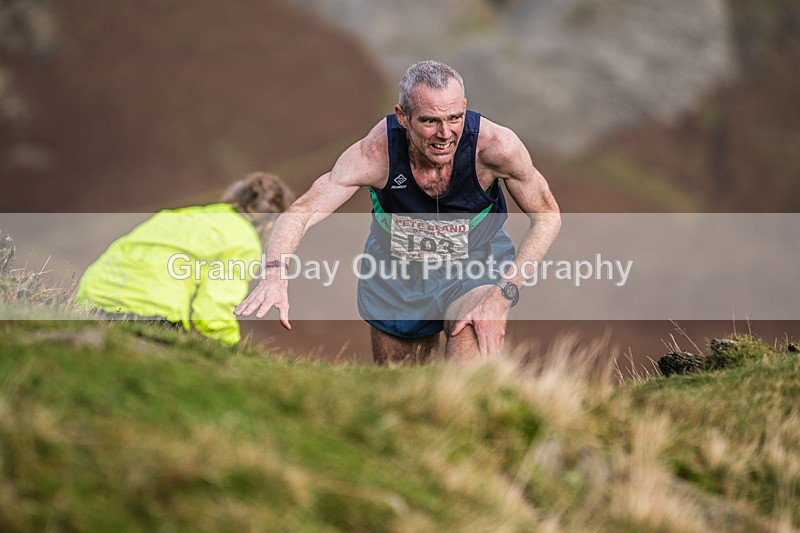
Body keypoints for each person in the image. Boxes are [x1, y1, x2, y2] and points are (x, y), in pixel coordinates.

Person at [235, 60, 560, 363]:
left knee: (471, 341)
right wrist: (274, 275)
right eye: (430, 121)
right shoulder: (375, 154)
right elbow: (303, 210)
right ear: (403, 116)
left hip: (475, 266)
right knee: (400, 382)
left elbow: (547, 217)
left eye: (454, 118)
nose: (445, 134)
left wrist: (502, 295)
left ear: (464, 108)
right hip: (396, 275)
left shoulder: (497, 148)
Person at [76, 172, 293, 345]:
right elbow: (214, 306)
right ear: (270, 225)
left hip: (92, 300)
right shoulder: (243, 241)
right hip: (148, 312)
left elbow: (121, 250)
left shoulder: (185, 214)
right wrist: (230, 347)